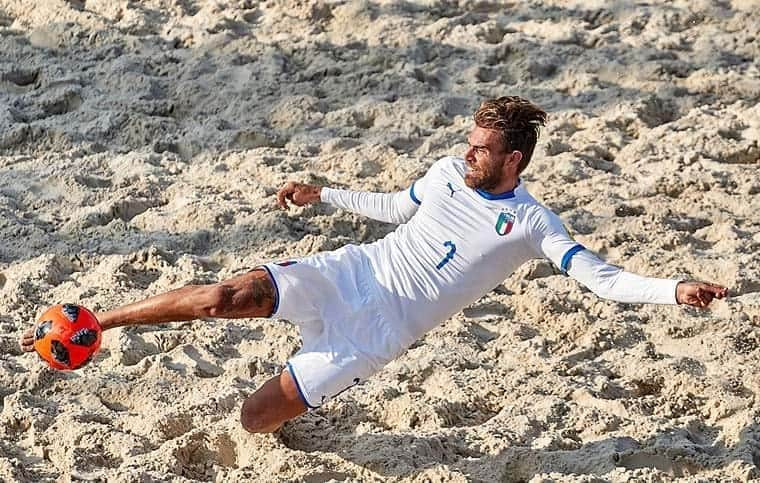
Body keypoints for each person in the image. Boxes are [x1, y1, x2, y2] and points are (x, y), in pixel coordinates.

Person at [19, 96, 728, 434]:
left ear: (513, 159)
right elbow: (397, 207)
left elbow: (601, 278)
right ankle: (97, 320)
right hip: (352, 270)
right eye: (469, 140)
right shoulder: (450, 171)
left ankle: (305, 396)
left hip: (377, 331)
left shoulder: (532, 222)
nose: (467, 151)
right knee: (223, 296)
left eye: (481, 147)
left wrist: (674, 289)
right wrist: (322, 191)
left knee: (254, 418)